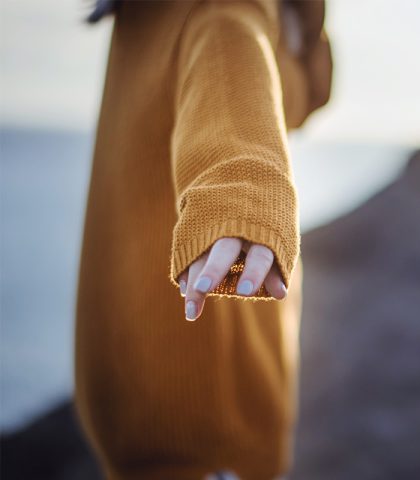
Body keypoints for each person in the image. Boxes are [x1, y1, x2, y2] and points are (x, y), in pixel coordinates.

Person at [75, 0, 332, 479]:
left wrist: (241, 201)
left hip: (180, 436)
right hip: (202, 443)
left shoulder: (186, 13)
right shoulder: (193, 14)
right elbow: (234, 60)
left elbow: (240, 70)